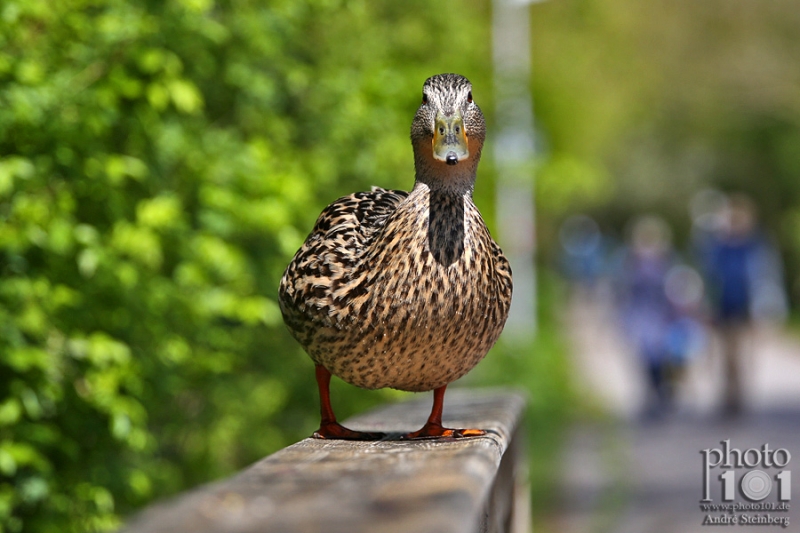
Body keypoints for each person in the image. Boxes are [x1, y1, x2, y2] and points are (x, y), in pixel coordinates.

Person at [698, 194, 787, 416]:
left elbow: (767, 279)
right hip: (723, 308)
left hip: (746, 308)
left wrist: (767, 310)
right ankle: (729, 397)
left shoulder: (756, 247)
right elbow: (709, 278)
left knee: (741, 355)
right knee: (725, 356)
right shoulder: (718, 247)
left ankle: (738, 397)